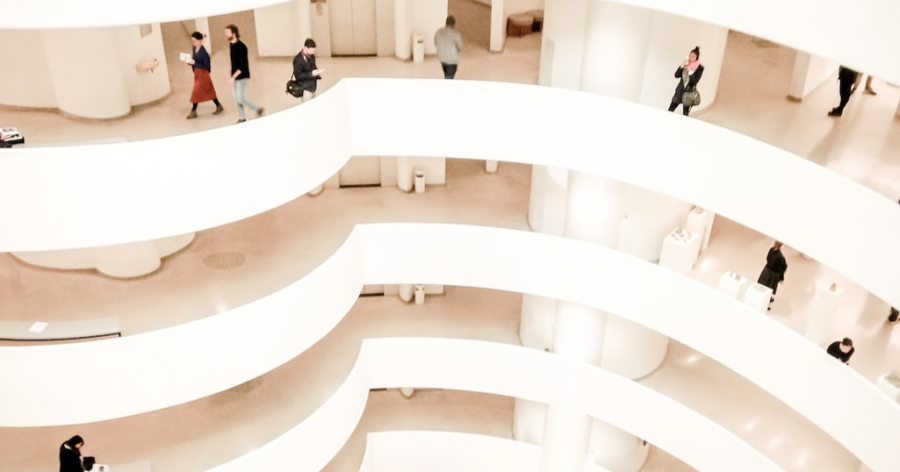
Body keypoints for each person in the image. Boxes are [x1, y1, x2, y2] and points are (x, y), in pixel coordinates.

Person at [225, 25, 264, 124]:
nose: (226, 34)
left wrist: (233, 77)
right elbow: (234, 63)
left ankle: (257, 108)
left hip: (242, 77)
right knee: (236, 99)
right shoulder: (231, 44)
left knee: (240, 99)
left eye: (228, 32)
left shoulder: (242, 47)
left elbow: (242, 66)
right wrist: (232, 76)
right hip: (235, 77)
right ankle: (242, 118)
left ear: (234, 33)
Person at [185, 32, 223, 119]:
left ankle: (193, 110)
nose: (193, 43)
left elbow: (206, 66)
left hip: (203, 74)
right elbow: (194, 60)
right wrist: (190, 62)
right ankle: (218, 105)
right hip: (197, 73)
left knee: (196, 91)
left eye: (194, 41)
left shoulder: (204, 53)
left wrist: (195, 63)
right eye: (192, 41)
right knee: (209, 90)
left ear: (200, 41)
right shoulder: (194, 48)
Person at [668, 46, 704, 116]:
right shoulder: (686, 64)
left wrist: (690, 71)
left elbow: (694, 82)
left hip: (689, 93)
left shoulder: (700, 68)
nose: (691, 58)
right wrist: (681, 66)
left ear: (697, 57)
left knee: (685, 113)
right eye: (690, 56)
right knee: (670, 109)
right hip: (680, 90)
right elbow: (676, 75)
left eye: (693, 56)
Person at [757, 241, 787, 311]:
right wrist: (781, 278)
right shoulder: (780, 257)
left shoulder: (771, 249)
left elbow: (767, 258)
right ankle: (764, 303)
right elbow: (782, 268)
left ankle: (767, 298)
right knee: (769, 288)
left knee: (764, 285)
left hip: (766, 270)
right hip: (773, 274)